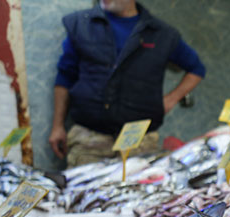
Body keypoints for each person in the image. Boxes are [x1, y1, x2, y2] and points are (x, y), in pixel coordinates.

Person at [48, 0, 205, 167]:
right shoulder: (81, 24)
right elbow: (65, 76)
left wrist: (171, 99)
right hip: (89, 140)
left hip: (139, 140)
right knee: (83, 192)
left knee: (136, 190)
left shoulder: (162, 33)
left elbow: (196, 69)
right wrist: (57, 125)